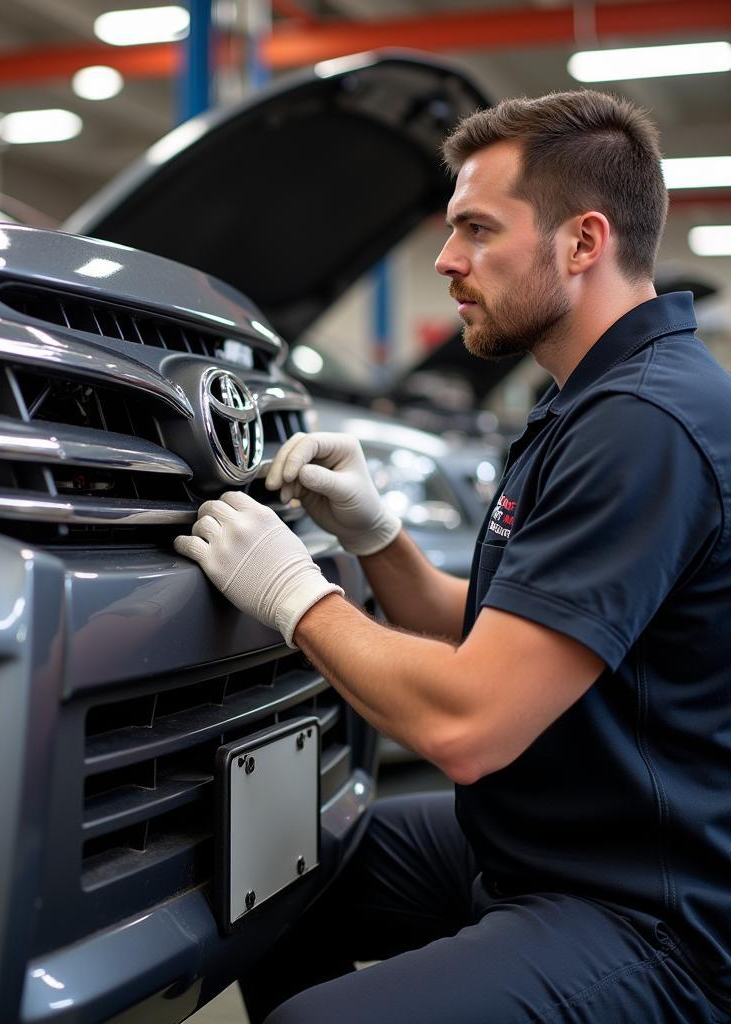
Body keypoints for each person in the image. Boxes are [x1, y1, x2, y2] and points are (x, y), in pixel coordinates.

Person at [174, 90, 731, 1023]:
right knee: (282, 866)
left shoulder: (644, 424)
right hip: (552, 839)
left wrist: (295, 594)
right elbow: (491, 628)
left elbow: (468, 725)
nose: (446, 260)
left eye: (477, 229)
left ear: (582, 242)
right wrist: (376, 536)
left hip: (649, 905)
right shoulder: (591, 402)